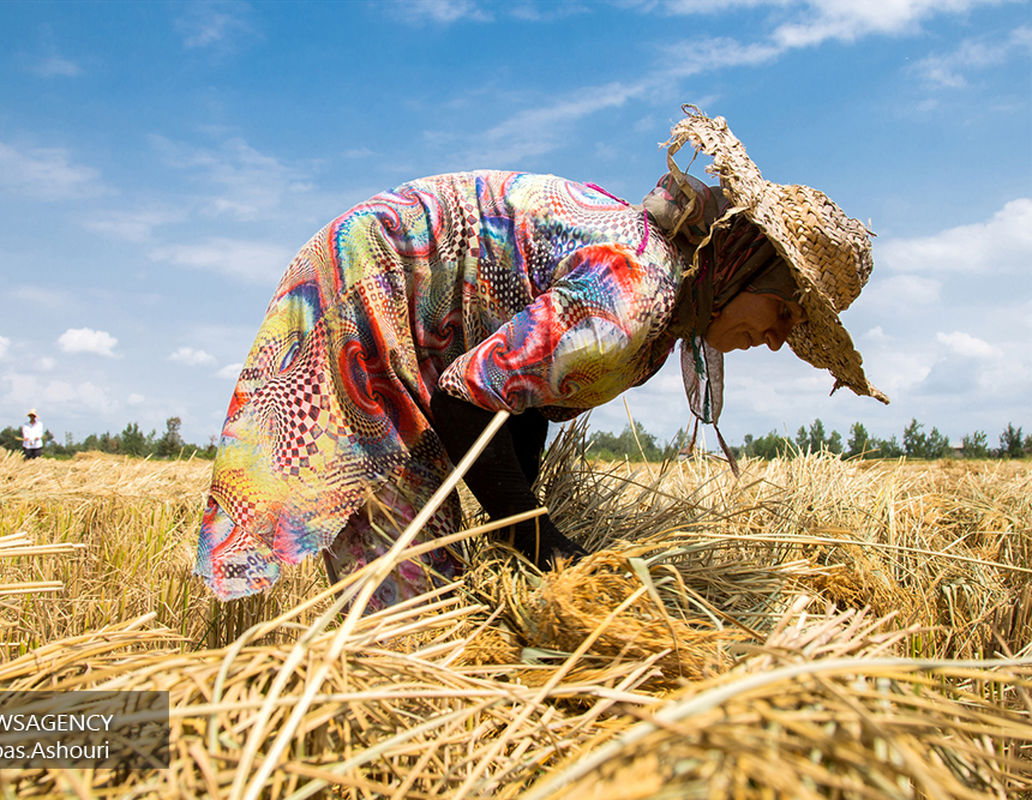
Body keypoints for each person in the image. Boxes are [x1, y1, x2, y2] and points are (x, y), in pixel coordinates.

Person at [195, 107, 888, 610]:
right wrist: (539, 541)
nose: (778, 340)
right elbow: (465, 400)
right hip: (372, 283)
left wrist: (517, 532)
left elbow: (516, 398)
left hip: (402, 295)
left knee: (441, 560)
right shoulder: (635, 295)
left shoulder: (664, 290)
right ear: (743, 266)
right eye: (784, 313)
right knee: (410, 584)